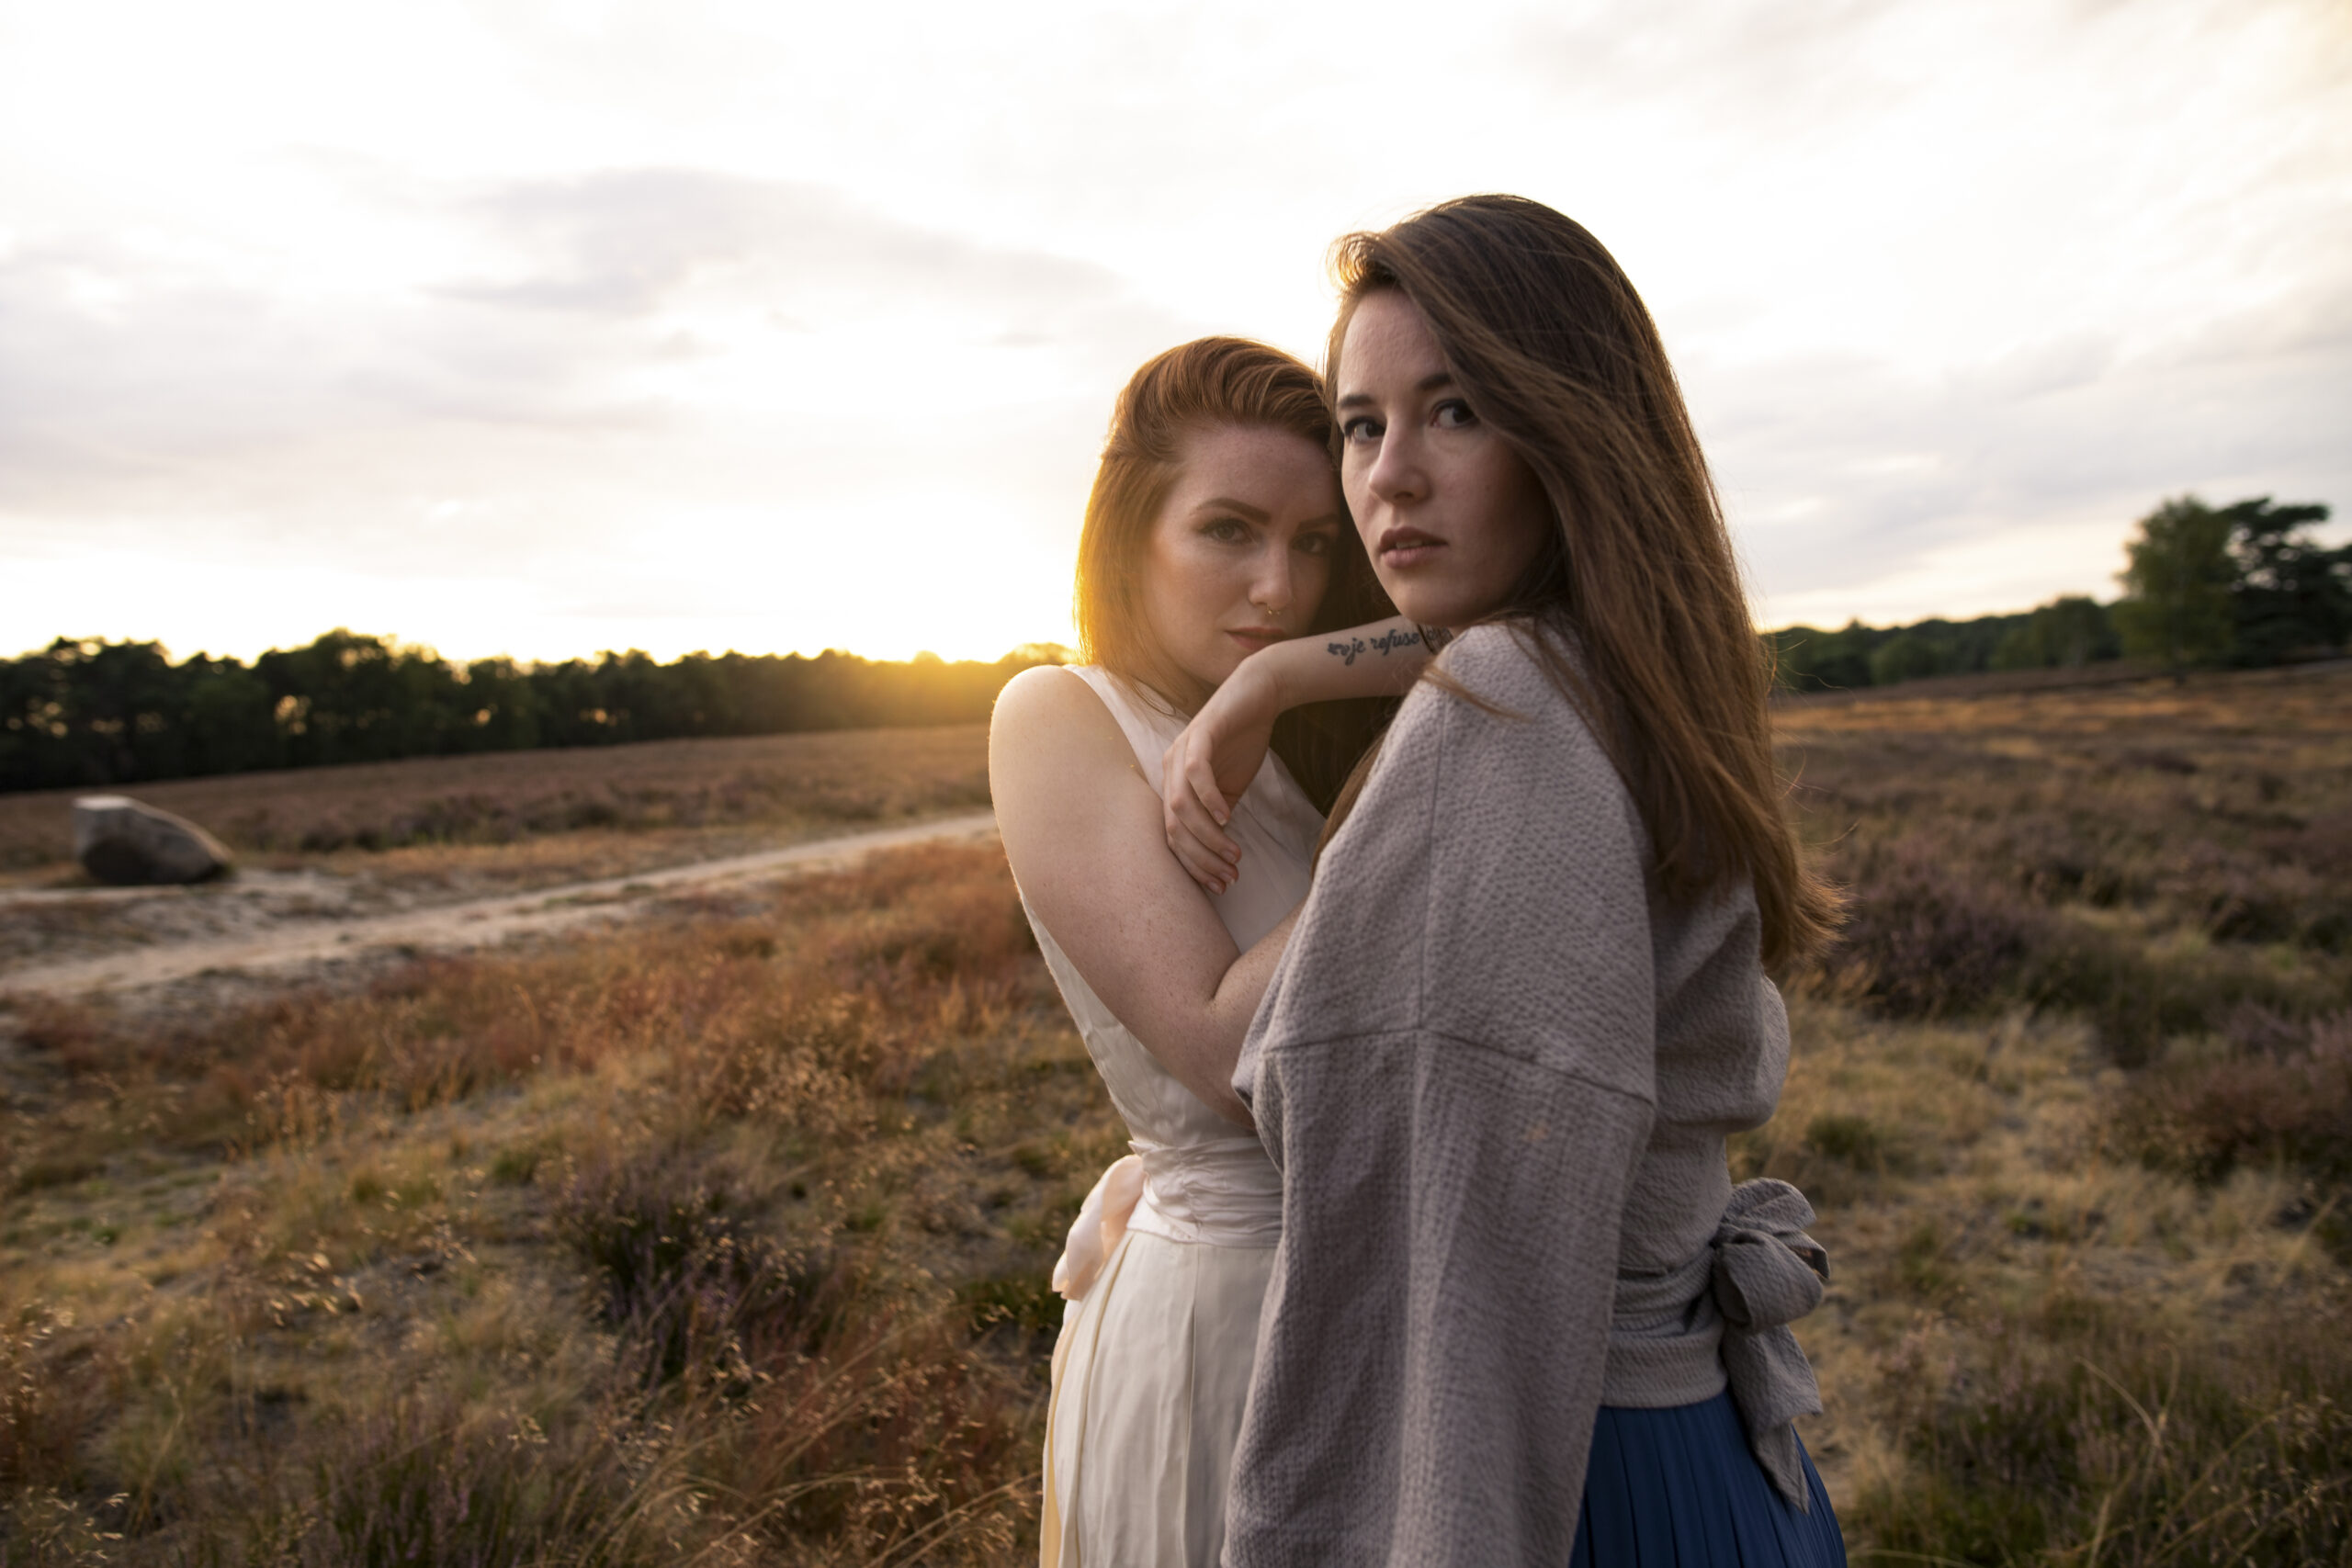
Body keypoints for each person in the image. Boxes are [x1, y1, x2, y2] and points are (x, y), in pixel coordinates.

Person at [1210, 197, 1850, 1567]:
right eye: (1361, 425)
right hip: (1727, 1470)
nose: (1388, 478)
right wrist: (1284, 673)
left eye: (1456, 411)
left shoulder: (1499, 706)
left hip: (1577, 1484)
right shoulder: (1632, 675)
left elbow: (1463, 1279)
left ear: (1572, 428)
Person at [988, 336, 1429, 1568]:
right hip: (1229, 1324)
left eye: (1314, 543)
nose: (1278, 587)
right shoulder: (1059, 714)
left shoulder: (1278, 733)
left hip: (1392, 1305)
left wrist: (1283, 678)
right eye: (1228, 531)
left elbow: (1521, 629)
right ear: (1134, 536)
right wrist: (1409, 801)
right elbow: (1228, 1049)